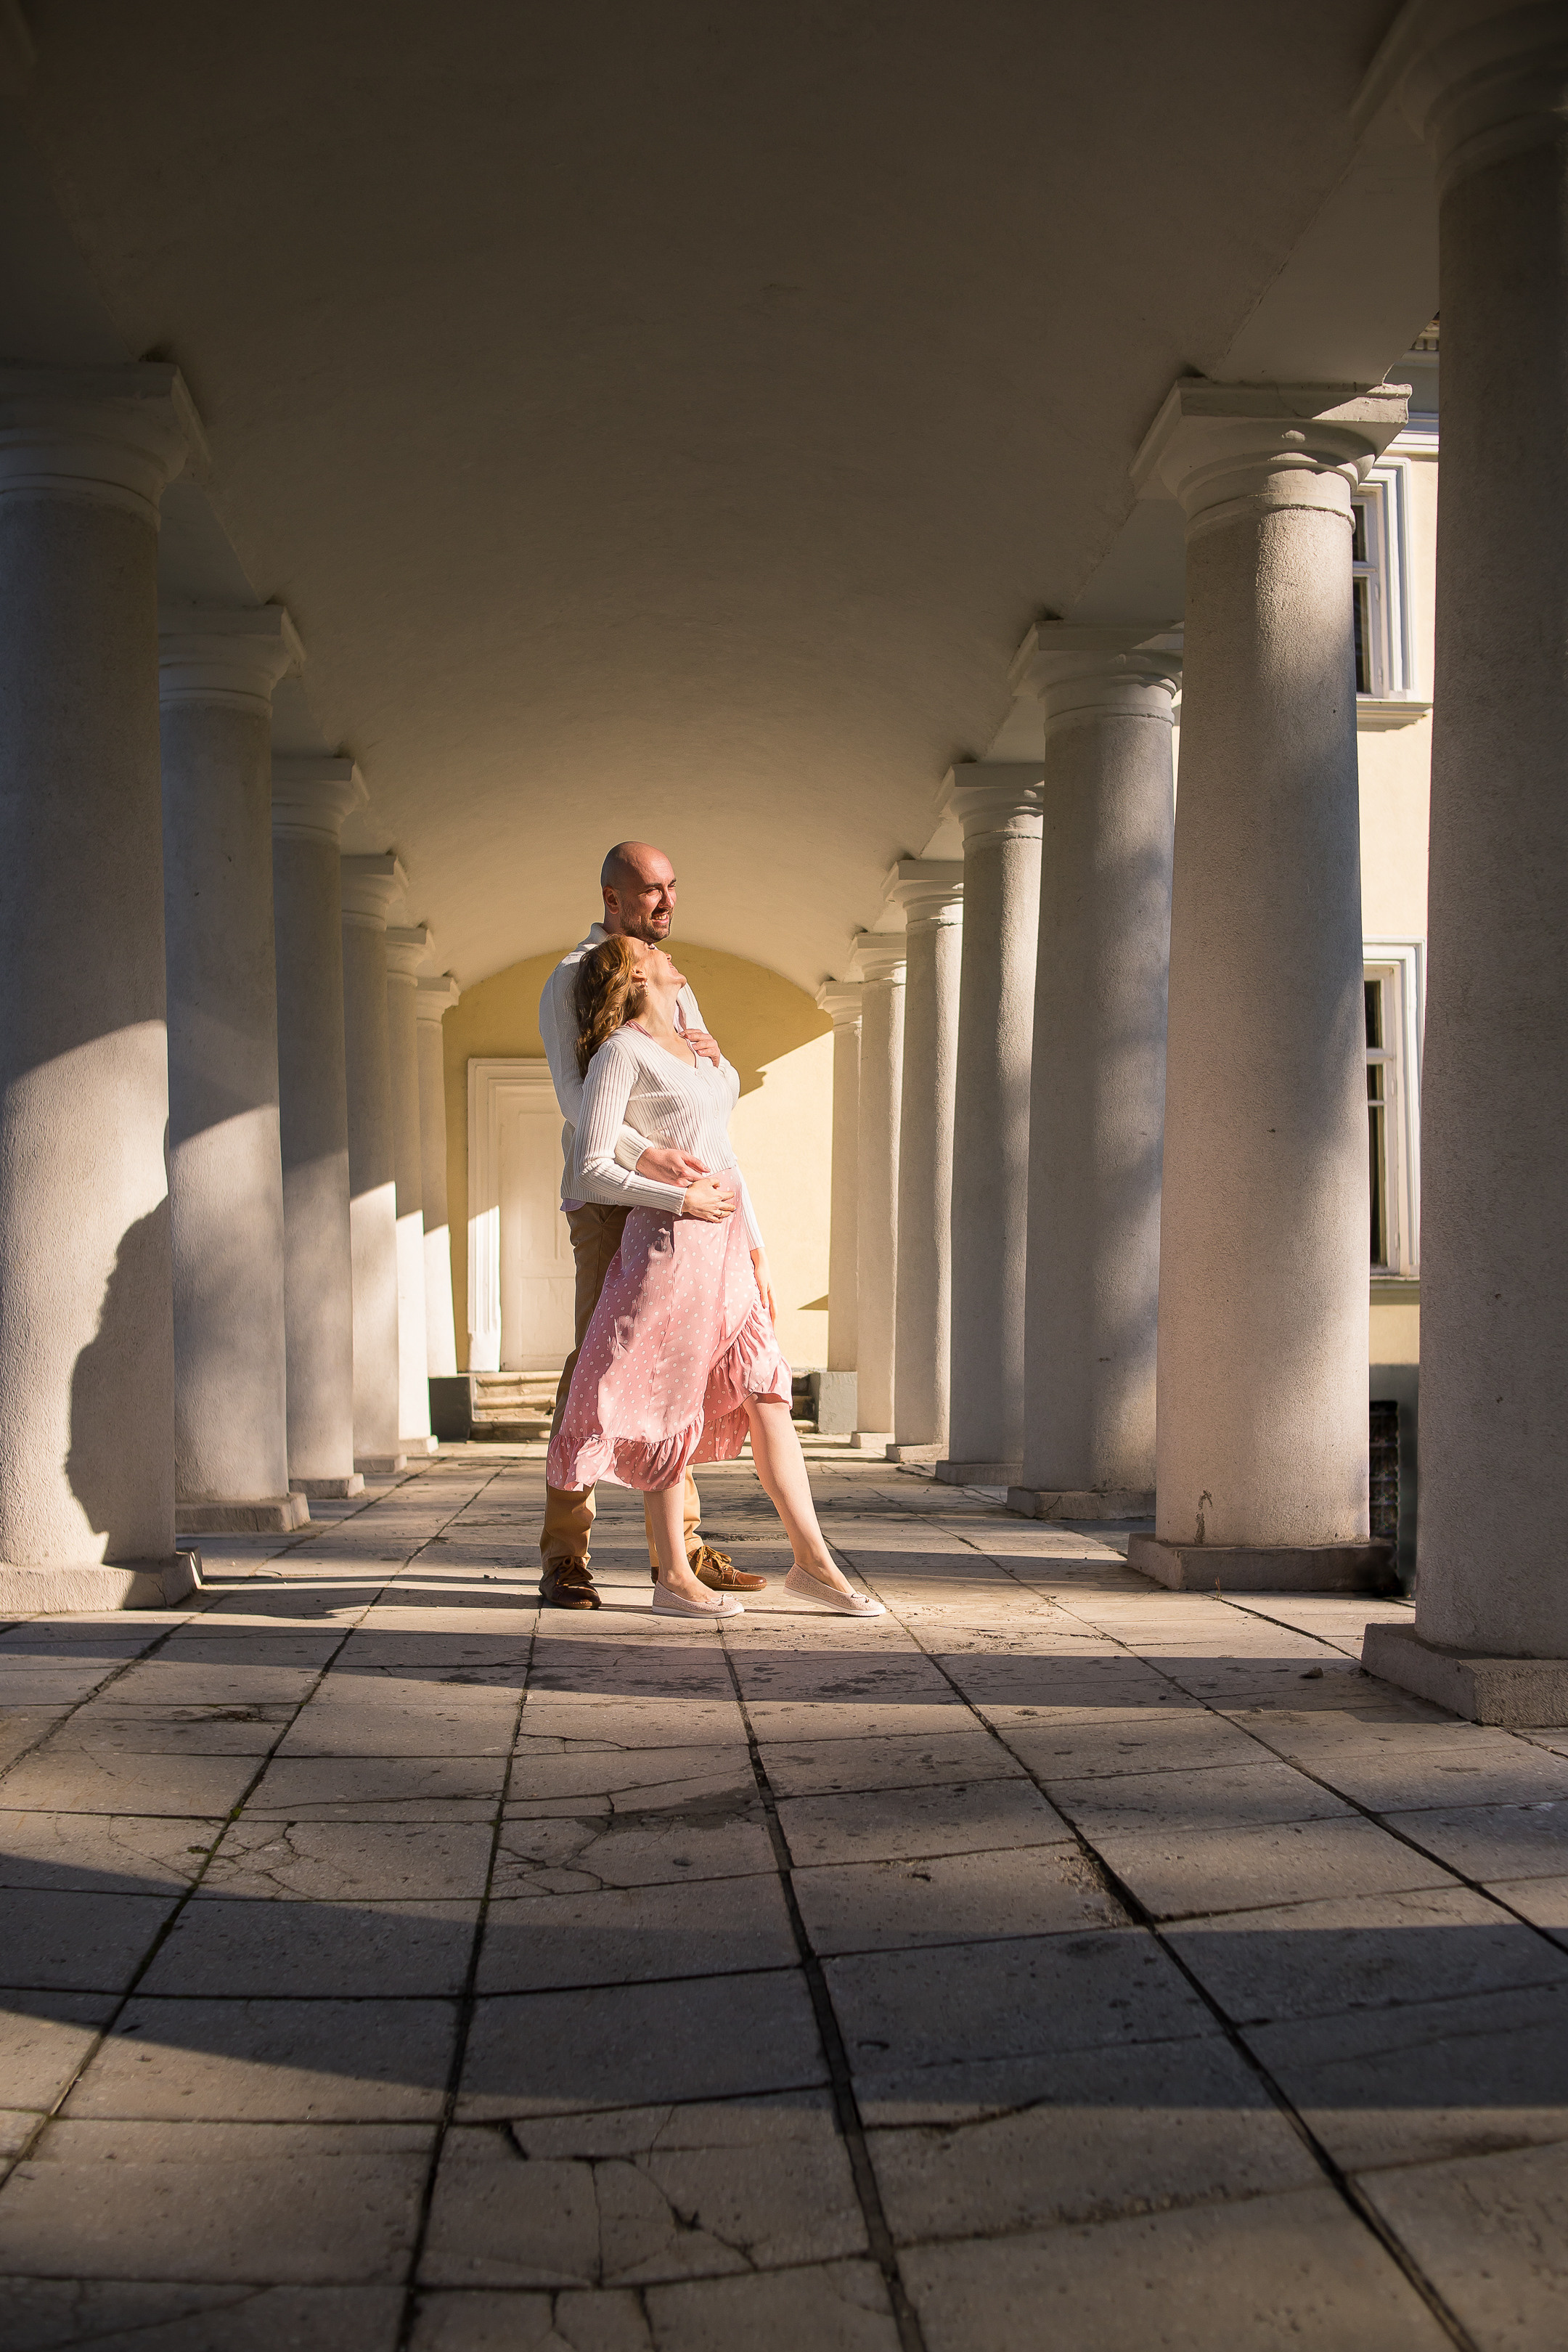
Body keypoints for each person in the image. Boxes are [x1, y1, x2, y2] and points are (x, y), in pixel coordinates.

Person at [548, 931, 884, 1620]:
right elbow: (591, 1164)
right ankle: (673, 1574)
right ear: (634, 976)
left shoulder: (695, 1046)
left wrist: (756, 1247)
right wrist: (678, 1199)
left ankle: (814, 1563)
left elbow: (721, 1150)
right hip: (672, 1243)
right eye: (650, 952)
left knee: (768, 1390)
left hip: (727, 1245)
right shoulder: (621, 1052)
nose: (668, 950)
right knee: (668, 1400)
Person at [536, 841, 767, 1609]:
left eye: (672, 887)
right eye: (650, 891)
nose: (667, 902)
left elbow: (700, 1098)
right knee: (597, 1366)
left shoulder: (674, 981)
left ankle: (684, 1549)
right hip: (610, 1201)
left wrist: (718, 1075)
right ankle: (565, 1554)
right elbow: (577, 1100)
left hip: (688, 1205)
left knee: (683, 1364)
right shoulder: (573, 976)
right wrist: (649, 1157)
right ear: (612, 898)